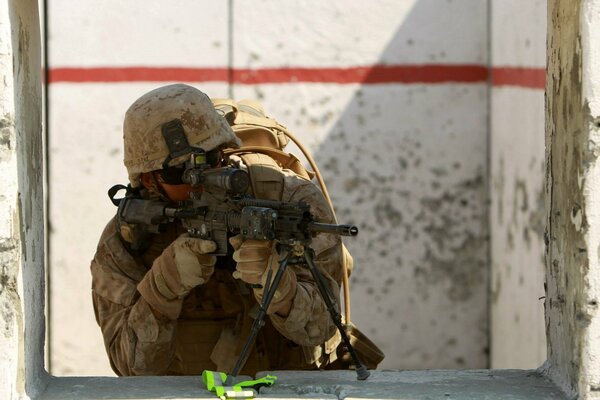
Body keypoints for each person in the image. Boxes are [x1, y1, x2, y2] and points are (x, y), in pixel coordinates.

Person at [90, 83, 358, 376]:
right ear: (149, 180)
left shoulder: (290, 200)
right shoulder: (129, 237)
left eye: (211, 157)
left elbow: (320, 331)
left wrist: (282, 290)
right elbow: (131, 367)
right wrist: (161, 289)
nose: (199, 179)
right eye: (178, 172)